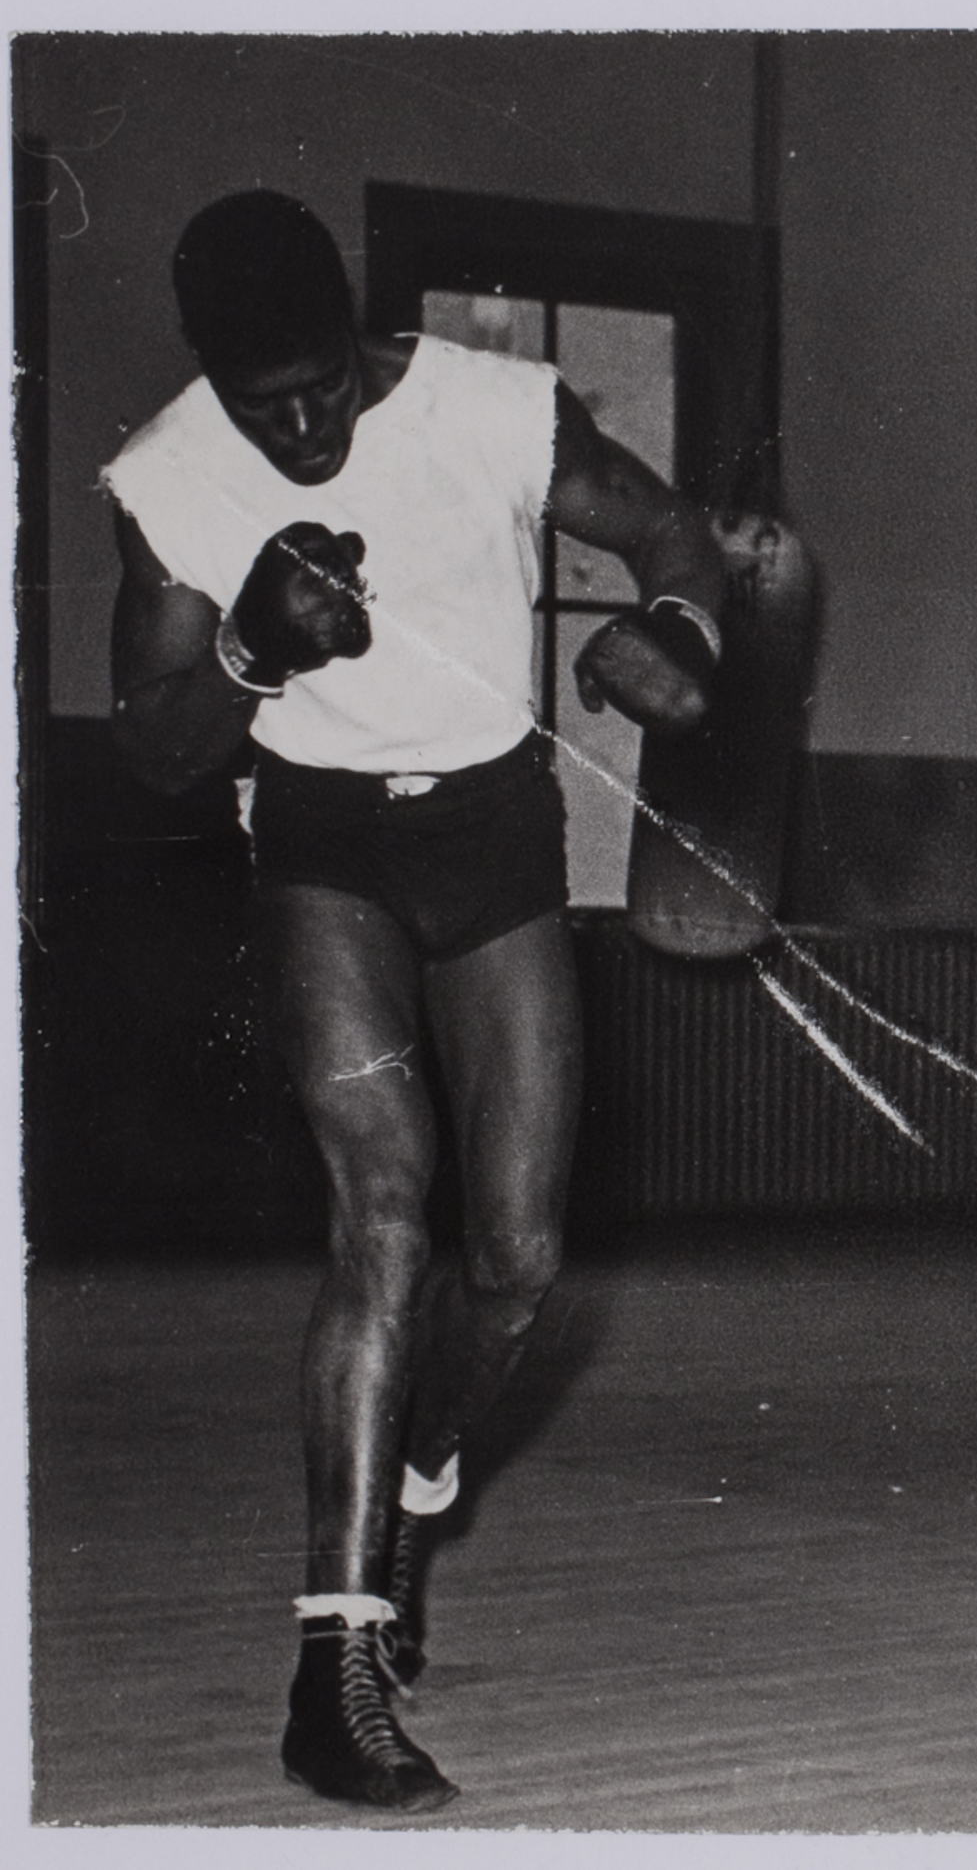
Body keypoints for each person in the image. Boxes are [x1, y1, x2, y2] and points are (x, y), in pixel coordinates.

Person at [104, 190, 728, 1808]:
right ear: (211, 381)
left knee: (516, 1256)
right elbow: (159, 754)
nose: (303, 429)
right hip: (320, 848)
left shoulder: (495, 409)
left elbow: (671, 535)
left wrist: (677, 628)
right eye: (266, 407)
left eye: (324, 387)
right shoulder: (171, 474)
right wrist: (246, 651)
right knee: (384, 1209)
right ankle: (336, 1669)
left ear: (364, 338)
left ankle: (418, 1463)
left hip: (497, 835)